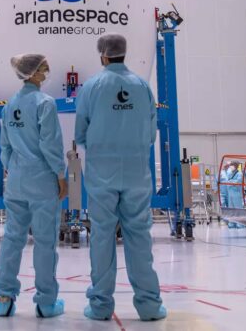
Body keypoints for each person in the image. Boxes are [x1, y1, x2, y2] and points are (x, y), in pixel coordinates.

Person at [74, 34, 167, 322]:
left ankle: (101, 305)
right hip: (137, 171)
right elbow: (152, 133)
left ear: (103, 55)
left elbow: (79, 134)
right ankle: (150, 306)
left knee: (102, 236)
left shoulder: (91, 87)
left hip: (102, 173)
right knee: (139, 236)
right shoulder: (142, 86)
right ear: (124, 54)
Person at [0, 54, 68, 319]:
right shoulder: (45, 104)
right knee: (45, 242)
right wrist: (60, 174)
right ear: (33, 73)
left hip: (15, 181)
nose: (47, 72)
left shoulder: (9, 105)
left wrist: (14, 169)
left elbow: (4, 147)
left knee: (13, 238)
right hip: (42, 181)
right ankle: (46, 302)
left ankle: (4, 298)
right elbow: (51, 144)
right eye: (44, 68)